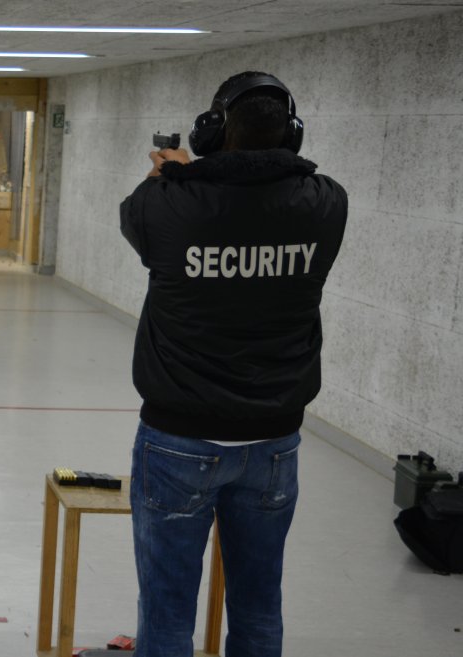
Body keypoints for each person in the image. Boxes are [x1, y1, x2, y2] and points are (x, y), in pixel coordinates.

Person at [119, 71, 348, 657]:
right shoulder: (325, 204)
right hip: (273, 441)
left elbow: (139, 216)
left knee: (168, 612)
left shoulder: (168, 202)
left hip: (178, 438)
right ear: (291, 136)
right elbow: (267, 193)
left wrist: (170, 169)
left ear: (213, 133)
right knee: (259, 604)